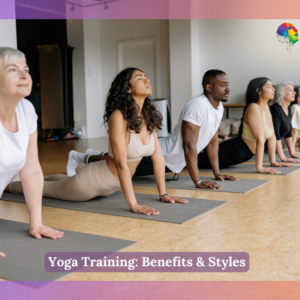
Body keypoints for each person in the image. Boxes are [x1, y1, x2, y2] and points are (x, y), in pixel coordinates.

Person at [8, 68, 188, 216]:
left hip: (108, 188)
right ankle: (6, 185)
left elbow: (158, 159)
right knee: (43, 189)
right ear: (127, 88)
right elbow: (120, 163)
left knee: (59, 181)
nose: (147, 80)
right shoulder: (118, 116)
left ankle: (24, 177)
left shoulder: (147, 117)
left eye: (146, 77)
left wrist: (163, 194)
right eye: (140, 78)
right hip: (89, 185)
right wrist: (133, 205)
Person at [67, 69, 238, 190]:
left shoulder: (218, 108)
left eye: (227, 84)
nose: (228, 88)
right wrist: (198, 181)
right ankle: (82, 157)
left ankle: (87, 155)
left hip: (170, 160)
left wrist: (217, 173)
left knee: (123, 161)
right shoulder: (198, 105)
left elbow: (213, 141)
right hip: (160, 154)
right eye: (223, 85)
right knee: (119, 165)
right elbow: (189, 145)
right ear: (209, 87)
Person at [0, 47, 64, 258]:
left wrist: (36, 223)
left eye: (25, 68)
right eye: (12, 69)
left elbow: (31, 169)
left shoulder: (26, 110)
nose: (24, 74)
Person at [197, 77, 291, 173]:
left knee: (197, 155)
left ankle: (219, 140)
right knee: (192, 160)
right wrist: (260, 168)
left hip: (240, 153)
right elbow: (260, 139)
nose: (273, 89)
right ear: (258, 91)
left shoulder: (266, 107)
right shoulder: (253, 107)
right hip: (232, 152)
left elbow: (272, 136)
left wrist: (273, 161)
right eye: (268, 86)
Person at [270, 81, 300, 162]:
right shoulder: (276, 109)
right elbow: (275, 133)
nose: (294, 93)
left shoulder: (288, 108)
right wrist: (283, 157)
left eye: (293, 90)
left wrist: (292, 152)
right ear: (281, 93)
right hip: (264, 148)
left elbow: (288, 132)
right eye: (290, 90)